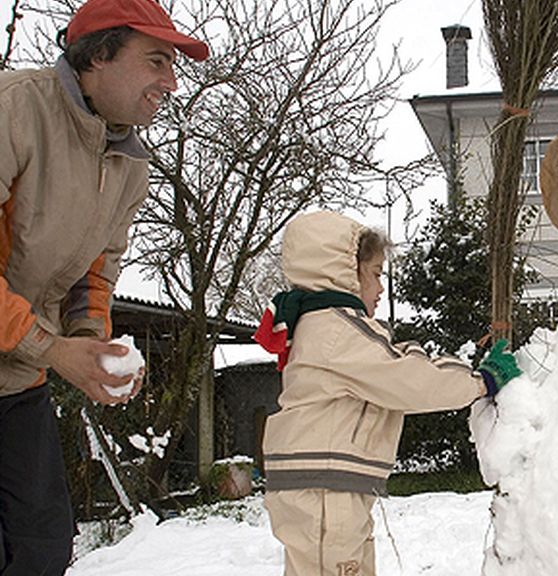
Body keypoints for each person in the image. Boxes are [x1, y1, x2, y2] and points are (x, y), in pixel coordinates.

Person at [0, 0, 208, 572]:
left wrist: (90, 340)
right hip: (29, 352)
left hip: (16, 378)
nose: (170, 81)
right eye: (156, 61)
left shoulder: (130, 162)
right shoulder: (14, 110)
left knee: (42, 546)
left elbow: (96, 269)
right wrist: (51, 348)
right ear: (97, 56)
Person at [255, 211, 520, 576]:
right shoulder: (336, 331)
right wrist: (480, 381)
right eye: (376, 274)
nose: (381, 289)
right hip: (325, 493)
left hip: (325, 489)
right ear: (344, 273)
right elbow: (407, 379)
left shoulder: (322, 329)